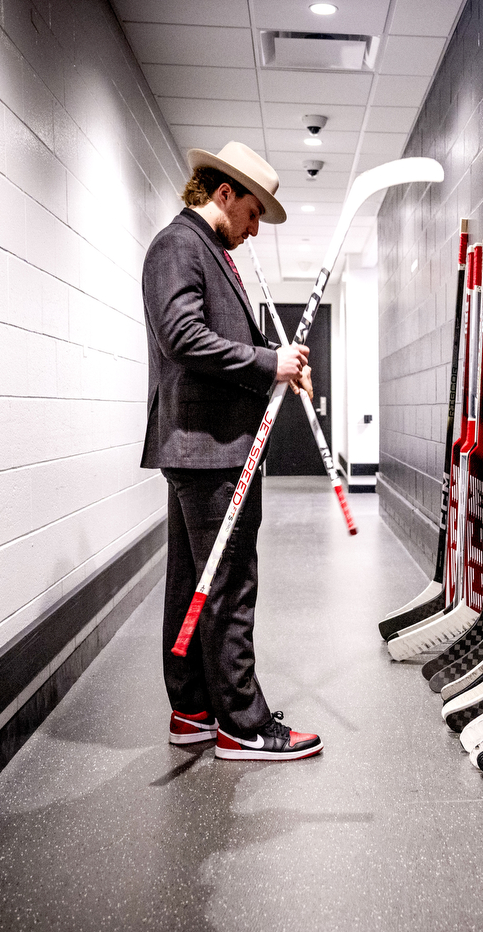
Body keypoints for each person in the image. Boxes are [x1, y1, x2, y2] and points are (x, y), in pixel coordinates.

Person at [140, 142, 322, 762]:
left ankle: (192, 709)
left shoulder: (206, 251)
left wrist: (278, 364)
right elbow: (185, 337)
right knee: (229, 585)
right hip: (209, 448)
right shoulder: (179, 246)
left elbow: (214, 336)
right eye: (251, 214)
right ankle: (243, 725)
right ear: (223, 194)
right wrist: (268, 362)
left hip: (205, 447)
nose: (252, 230)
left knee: (193, 579)